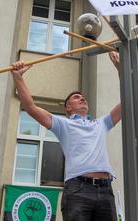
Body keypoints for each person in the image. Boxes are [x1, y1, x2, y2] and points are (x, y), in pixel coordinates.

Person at [11, 51, 121, 221]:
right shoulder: (64, 124)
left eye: (83, 97)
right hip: (78, 189)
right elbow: (30, 107)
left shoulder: (101, 124)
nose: (82, 98)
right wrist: (18, 77)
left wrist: (121, 70)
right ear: (68, 108)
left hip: (106, 190)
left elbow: (127, 102)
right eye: (77, 98)